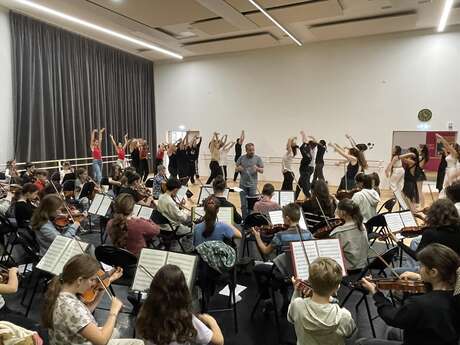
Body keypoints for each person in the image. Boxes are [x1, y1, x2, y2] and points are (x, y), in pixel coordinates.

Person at [357, 243, 460, 345]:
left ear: (433, 272)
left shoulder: (420, 304)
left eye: (422, 266)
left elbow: (392, 317)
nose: (419, 269)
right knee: (393, 333)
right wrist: (420, 277)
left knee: (361, 342)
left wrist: (376, 294)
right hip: (442, 339)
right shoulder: (455, 294)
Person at [41, 254, 142, 345]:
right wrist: (113, 312)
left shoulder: (59, 291)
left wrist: (104, 286)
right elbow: (101, 341)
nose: (94, 283)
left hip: (69, 339)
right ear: (79, 280)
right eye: (92, 280)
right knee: (138, 343)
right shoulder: (73, 308)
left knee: (115, 331)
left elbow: (85, 312)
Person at [136, 264, 224, 345]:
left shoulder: (145, 312)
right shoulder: (186, 319)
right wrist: (212, 321)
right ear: (182, 292)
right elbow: (219, 341)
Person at [252, 203, 313, 310]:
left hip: (284, 275)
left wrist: (257, 237)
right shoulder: (308, 234)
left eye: (282, 217)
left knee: (257, 268)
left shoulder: (281, 235)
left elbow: (265, 251)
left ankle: (267, 299)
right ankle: (286, 295)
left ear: (287, 219)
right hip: (302, 273)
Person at [288, 257, 356, 345]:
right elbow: (350, 334)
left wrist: (296, 291)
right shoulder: (344, 315)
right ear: (337, 287)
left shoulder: (297, 305)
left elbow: (290, 318)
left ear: (309, 282)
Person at [330, 199, 369, 273]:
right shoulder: (361, 225)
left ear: (343, 212)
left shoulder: (339, 232)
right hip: (362, 265)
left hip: (347, 269)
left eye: (337, 208)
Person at [236, 143, 264, 219]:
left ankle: (250, 220)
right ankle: (244, 220)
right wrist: (238, 169)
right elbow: (236, 168)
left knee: (252, 204)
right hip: (242, 185)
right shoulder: (241, 158)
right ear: (246, 150)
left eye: (253, 150)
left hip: (252, 185)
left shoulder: (257, 158)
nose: (252, 151)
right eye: (250, 150)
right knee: (243, 204)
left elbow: (262, 170)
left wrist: (257, 169)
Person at [295, 131, 315, 200]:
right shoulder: (311, 151)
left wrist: (303, 135)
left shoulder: (307, 156)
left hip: (306, 171)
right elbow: (305, 144)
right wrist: (304, 136)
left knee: (305, 188)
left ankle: (311, 199)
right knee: (298, 186)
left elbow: (302, 146)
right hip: (306, 171)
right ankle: (294, 199)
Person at [402, 147, 420, 212]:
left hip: (409, 183)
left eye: (408, 152)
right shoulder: (411, 161)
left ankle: (412, 214)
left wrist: (410, 154)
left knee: (409, 201)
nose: (407, 153)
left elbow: (401, 157)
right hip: (408, 182)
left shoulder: (412, 162)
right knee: (407, 200)